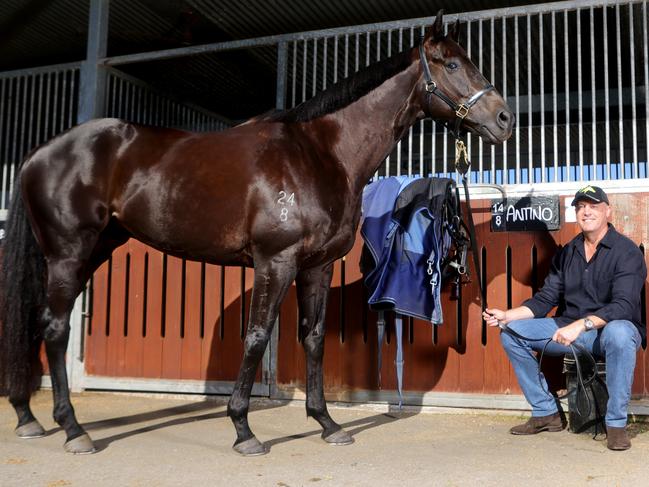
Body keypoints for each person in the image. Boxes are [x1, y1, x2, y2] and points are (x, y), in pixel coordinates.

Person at [483, 185, 646, 451]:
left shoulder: (626, 251)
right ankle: (546, 412)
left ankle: (615, 424)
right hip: (569, 328)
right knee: (511, 333)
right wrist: (507, 315)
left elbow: (624, 306)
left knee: (620, 332)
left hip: (607, 331)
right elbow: (545, 298)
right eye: (581, 207)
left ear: (608, 211)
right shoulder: (568, 252)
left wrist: (581, 326)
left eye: (593, 206)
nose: (586, 211)